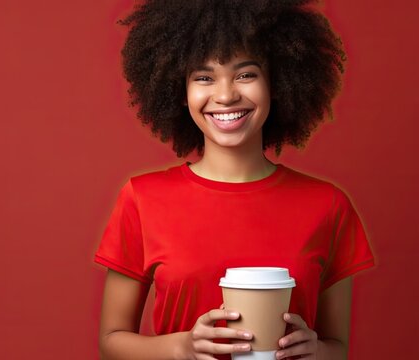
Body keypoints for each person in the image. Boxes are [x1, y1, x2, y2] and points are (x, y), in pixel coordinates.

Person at [93, 1, 376, 359]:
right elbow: (111, 342)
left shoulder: (328, 204)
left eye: (245, 74)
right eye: (204, 77)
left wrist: (315, 350)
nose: (225, 95)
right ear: (179, 91)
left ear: (279, 82)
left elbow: (338, 349)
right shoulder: (142, 198)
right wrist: (181, 347)